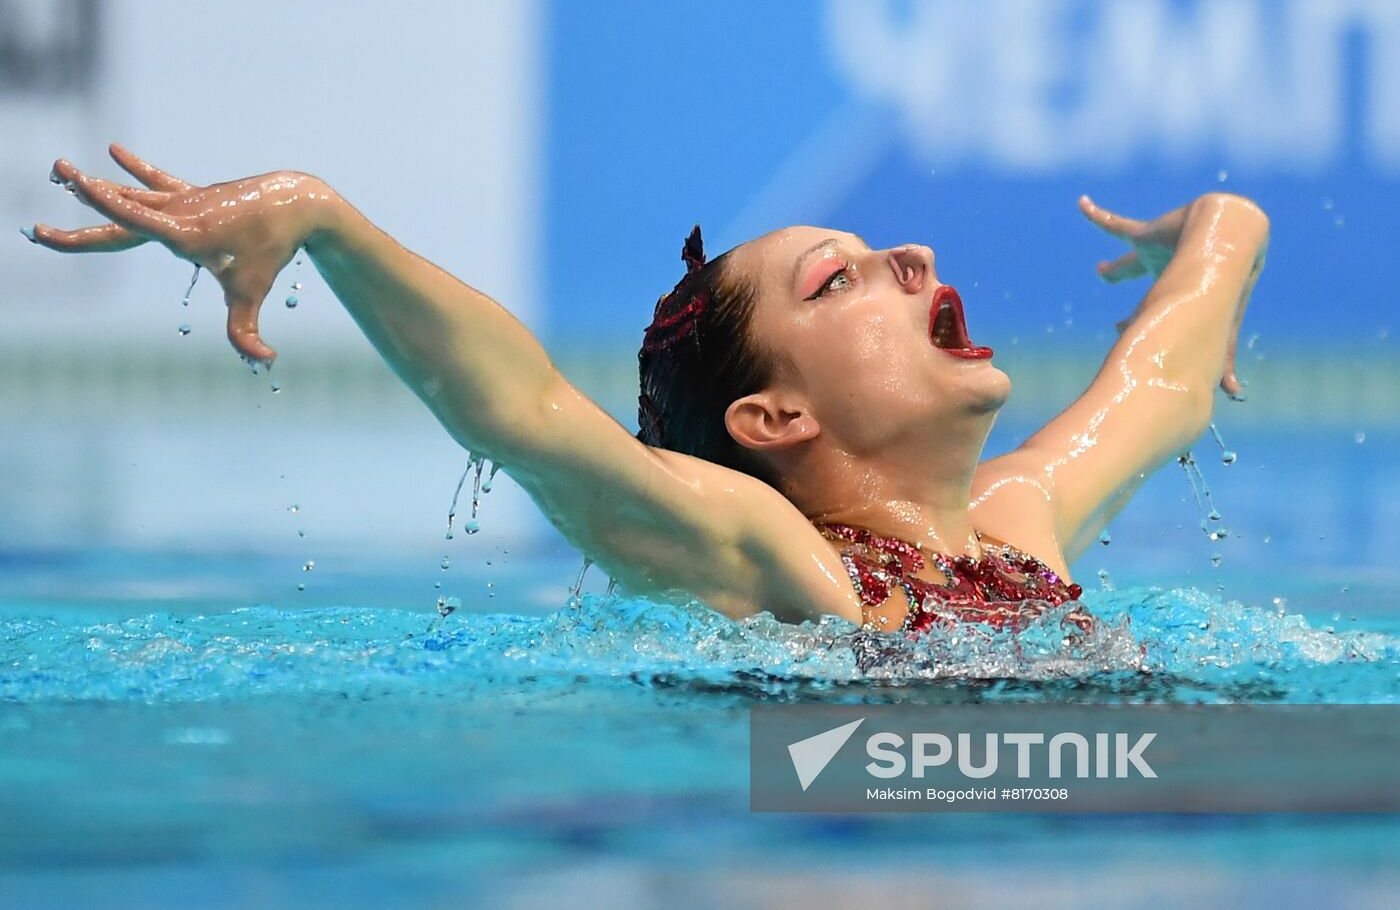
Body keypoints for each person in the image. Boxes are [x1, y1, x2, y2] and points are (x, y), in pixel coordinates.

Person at [23, 145, 1268, 635]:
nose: (915, 259)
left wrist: (1223, 223)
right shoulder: (778, 552)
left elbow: (1161, 378)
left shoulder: (1016, 521)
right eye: (836, 282)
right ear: (772, 421)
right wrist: (323, 219)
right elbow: (526, 413)